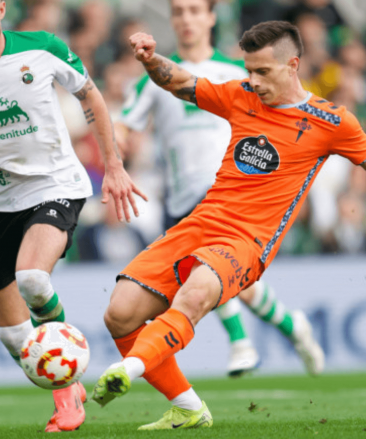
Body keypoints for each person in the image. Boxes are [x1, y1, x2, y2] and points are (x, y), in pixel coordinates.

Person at [92, 21, 366, 430]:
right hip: (199, 222)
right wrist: (150, 58)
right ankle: (188, 407)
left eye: (263, 72)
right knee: (120, 314)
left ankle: (126, 371)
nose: (253, 80)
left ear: (293, 65)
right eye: (249, 70)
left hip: (247, 242)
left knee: (195, 296)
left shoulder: (331, 121)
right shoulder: (241, 96)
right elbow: (180, 81)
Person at [0, 0, 145, 432]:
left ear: (1, 9)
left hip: (55, 184)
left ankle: (67, 402)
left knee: (33, 279)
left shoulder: (42, 48)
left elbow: (89, 93)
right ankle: (67, 383)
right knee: (15, 339)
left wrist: (113, 164)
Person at [117, 0, 324, 379]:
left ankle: (241, 342)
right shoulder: (155, 76)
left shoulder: (239, 72)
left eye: (195, 10)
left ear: (211, 17)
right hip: (179, 198)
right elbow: (123, 125)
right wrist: (113, 157)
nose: (186, 19)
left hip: (230, 195)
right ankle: (294, 327)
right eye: (178, 12)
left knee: (207, 268)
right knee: (234, 285)